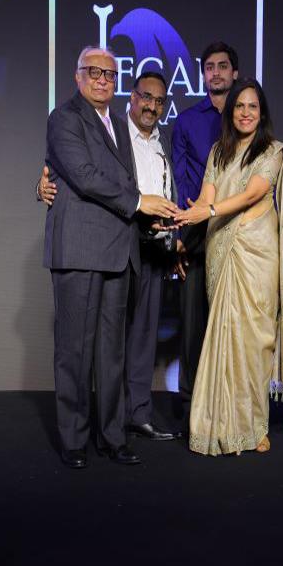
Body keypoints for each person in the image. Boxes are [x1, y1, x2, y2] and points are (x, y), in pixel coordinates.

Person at [43, 46, 177, 469]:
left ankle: (113, 437)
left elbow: (125, 181)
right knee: (75, 351)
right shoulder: (64, 118)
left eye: (110, 74)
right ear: (78, 75)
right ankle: (74, 440)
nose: (103, 80)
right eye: (94, 72)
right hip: (79, 250)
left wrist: (150, 219)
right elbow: (83, 176)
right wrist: (139, 202)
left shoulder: (119, 123)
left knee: (111, 354)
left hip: (120, 251)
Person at [173, 78, 283, 456]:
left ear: (262, 112)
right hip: (221, 249)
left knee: (255, 342)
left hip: (257, 255)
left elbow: (253, 193)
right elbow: (206, 196)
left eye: (253, 106)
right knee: (224, 337)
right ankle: (220, 424)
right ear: (231, 111)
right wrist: (184, 216)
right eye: (239, 106)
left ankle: (254, 426)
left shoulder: (272, 151)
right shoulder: (218, 152)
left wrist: (208, 210)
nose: (246, 112)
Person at [170, 42, 239, 428]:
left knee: (233, 328)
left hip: (239, 235)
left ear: (234, 73)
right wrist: (181, 235)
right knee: (194, 327)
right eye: (209, 67)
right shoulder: (186, 122)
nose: (216, 72)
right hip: (197, 235)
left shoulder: (247, 116)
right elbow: (181, 183)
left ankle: (230, 411)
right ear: (203, 75)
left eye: (222, 66)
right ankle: (191, 410)